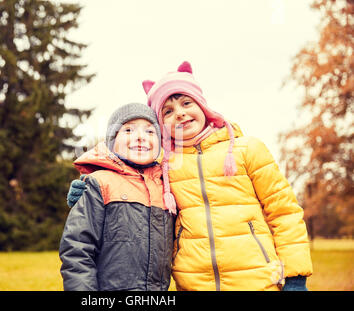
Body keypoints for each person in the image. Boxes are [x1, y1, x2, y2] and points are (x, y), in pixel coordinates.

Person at [68, 62, 313, 291]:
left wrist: (295, 275)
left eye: (187, 103)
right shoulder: (163, 166)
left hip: (256, 280)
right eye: (168, 111)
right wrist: (88, 187)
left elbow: (284, 211)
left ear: (202, 105)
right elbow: (129, 180)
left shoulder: (247, 149)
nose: (180, 114)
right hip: (194, 283)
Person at [59, 103, 174, 291]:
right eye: (128, 130)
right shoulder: (99, 183)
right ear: (112, 142)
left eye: (150, 132)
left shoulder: (167, 188)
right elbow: (77, 249)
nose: (140, 137)